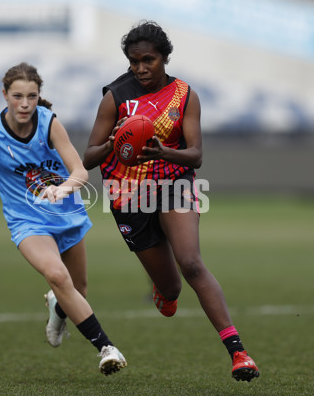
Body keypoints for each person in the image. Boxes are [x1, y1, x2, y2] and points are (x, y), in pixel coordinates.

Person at [83, 20, 260, 382]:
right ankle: (162, 290)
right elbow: (87, 157)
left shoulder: (185, 95)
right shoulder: (115, 97)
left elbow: (195, 156)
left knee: (191, 264)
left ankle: (238, 352)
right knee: (171, 290)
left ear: (164, 57)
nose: (141, 68)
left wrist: (163, 152)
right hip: (127, 194)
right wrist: (114, 143)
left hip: (174, 183)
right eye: (134, 61)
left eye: (148, 60)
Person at [0, 62, 127, 375]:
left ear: (39, 95)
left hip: (66, 214)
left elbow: (80, 171)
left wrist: (64, 188)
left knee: (76, 290)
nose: (25, 104)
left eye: (31, 96)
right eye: (17, 96)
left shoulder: (49, 123)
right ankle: (106, 348)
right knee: (57, 276)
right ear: (4, 95)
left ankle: (58, 308)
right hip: (27, 222)